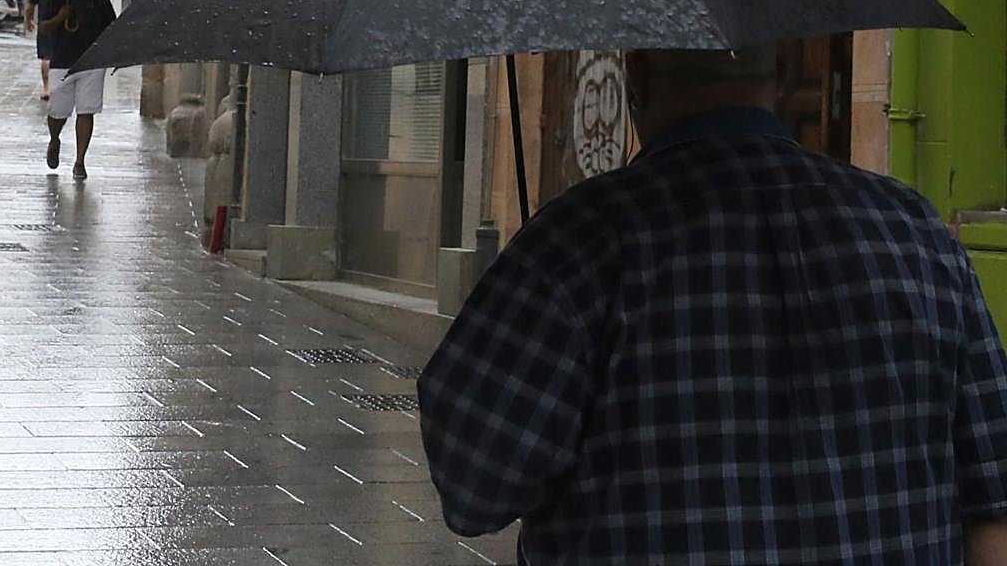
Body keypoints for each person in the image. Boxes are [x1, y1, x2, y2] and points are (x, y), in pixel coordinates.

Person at [418, 46, 1007, 565]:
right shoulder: (915, 232)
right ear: (783, 73)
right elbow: (994, 503)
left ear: (636, 76)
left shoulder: (579, 241)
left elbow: (474, 488)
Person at [40, 0, 115, 181]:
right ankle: (54, 139)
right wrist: (59, 18)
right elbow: (44, 28)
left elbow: (111, 27)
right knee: (58, 111)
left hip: (91, 62)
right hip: (62, 61)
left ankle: (80, 161)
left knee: (86, 111)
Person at [25, 0, 66, 101]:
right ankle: (59, 86)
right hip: (63, 26)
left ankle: (47, 88)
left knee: (46, 57)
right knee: (63, 57)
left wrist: (29, 21)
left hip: (45, 26)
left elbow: (30, 7)